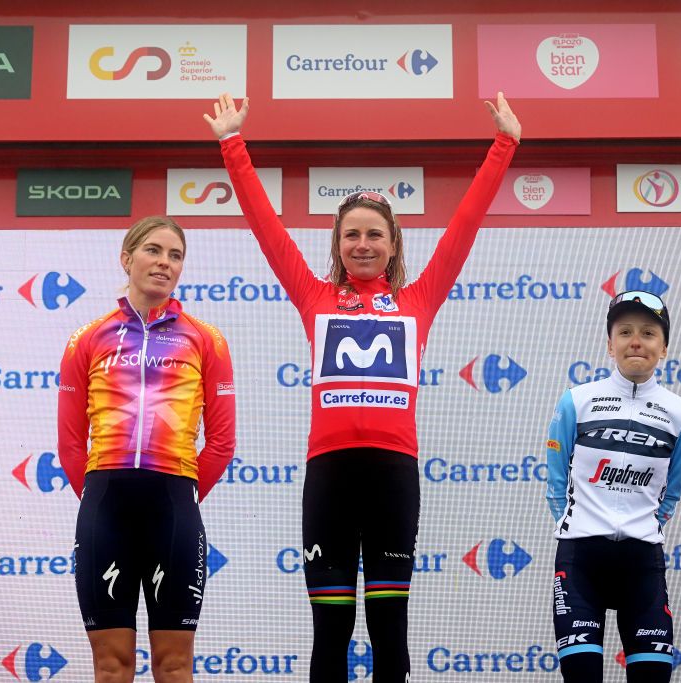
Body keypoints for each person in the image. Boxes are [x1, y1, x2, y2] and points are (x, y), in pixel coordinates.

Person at [204, 92, 520, 682]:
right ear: (338, 244)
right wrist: (232, 143)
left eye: (375, 234)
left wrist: (504, 144)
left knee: (389, 633)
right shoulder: (315, 297)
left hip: (392, 479)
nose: (363, 244)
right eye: (352, 235)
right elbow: (267, 229)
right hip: (330, 478)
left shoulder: (418, 300)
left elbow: (464, 225)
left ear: (394, 244)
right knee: (330, 633)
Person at [57, 216, 236, 683]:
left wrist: (183, 491)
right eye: (154, 251)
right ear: (127, 258)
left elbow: (221, 442)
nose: (165, 263)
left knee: (173, 666)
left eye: (176, 256)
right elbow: (72, 444)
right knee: (112, 667)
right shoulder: (87, 339)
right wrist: (100, 495)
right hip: (106, 507)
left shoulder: (205, 339)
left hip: (172, 508)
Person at [545, 291, 681, 683]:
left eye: (649, 333)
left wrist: (650, 526)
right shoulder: (577, 401)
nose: (636, 341)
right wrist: (572, 520)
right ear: (609, 343)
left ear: (664, 348)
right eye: (625, 331)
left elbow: (674, 489)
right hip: (581, 560)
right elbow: (555, 476)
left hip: (641, 564)